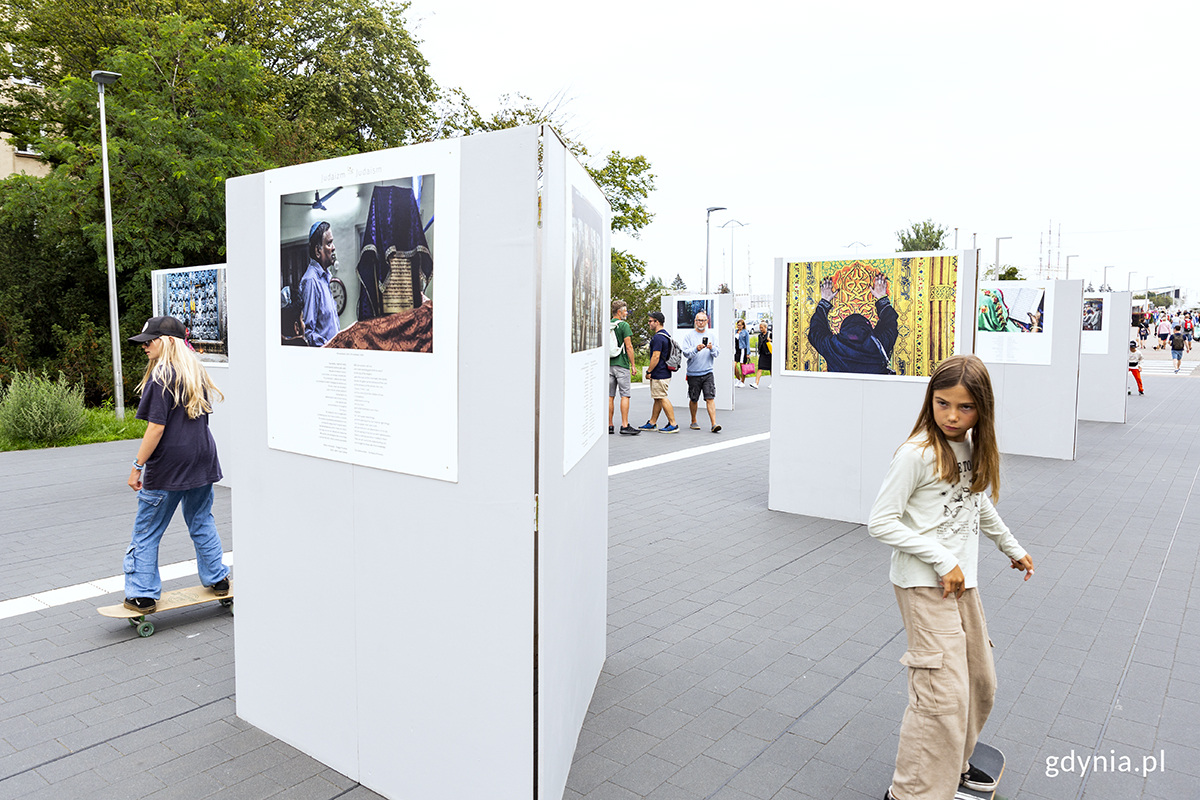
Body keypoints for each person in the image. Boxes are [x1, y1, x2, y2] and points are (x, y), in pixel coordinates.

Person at [868, 354, 1034, 800]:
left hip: (963, 584)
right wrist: (942, 559)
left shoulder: (972, 448)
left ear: (982, 409)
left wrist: (1012, 548)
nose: (953, 416)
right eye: (943, 404)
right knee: (941, 697)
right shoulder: (916, 453)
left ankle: (954, 766)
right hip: (924, 586)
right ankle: (912, 792)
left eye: (965, 408)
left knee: (980, 684)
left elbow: (977, 503)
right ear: (931, 401)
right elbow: (880, 522)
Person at [123, 316, 230, 614]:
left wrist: (137, 465)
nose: (144, 346)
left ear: (168, 341)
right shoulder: (195, 372)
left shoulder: (161, 377)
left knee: (146, 530)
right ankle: (218, 578)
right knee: (201, 520)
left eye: (150, 340)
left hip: (169, 465)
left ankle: (142, 594)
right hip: (202, 459)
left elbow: (155, 429)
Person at [809, 273, 899, 374]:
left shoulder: (832, 347)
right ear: (868, 327)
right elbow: (890, 323)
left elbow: (815, 332)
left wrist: (825, 301)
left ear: (842, 329)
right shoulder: (879, 343)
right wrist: (881, 297)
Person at [299, 221, 341, 346]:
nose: (333, 247)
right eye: (329, 243)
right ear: (318, 251)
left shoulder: (324, 278)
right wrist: (330, 345)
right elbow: (307, 332)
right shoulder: (311, 281)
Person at [639, 311, 679, 433]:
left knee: (662, 397)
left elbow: (656, 357)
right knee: (657, 398)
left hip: (660, 373)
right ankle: (652, 422)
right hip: (664, 372)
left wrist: (649, 371)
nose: (649, 323)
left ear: (657, 322)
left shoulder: (658, 338)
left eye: (651, 321)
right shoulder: (666, 335)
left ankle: (673, 424)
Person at [682, 310, 721, 432]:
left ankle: (714, 424)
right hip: (693, 373)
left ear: (707, 321)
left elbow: (717, 353)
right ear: (695, 321)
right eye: (698, 320)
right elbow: (685, 353)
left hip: (708, 372)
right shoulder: (689, 336)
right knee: (694, 398)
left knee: (710, 398)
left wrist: (711, 348)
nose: (701, 322)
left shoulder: (712, 336)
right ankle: (693, 421)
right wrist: (696, 349)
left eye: (703, 320)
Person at [608, 300, 640, 435]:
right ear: (619, 312)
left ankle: (609, 425)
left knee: (610, 396)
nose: (627, 313)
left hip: (608, 365)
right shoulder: (624, 325)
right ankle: (624, 425)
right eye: (625, 311)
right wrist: (633, 365)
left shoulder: (606, 324)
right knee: (625, 395)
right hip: (621, 364)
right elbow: (629, 346)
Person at [734, 319, 753, 388]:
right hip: (736, 350)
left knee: (743, 366)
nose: (738, 326)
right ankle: (738, 379)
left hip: (743, 350)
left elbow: (747, 343)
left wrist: (748, 353)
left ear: (743, 325)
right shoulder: (735, 331)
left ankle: (742, 381)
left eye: (740, 325)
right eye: (738, 325)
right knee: (733, 366)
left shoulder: (745, 332)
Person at [755, 320, 772, 388]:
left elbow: (775, 343)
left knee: (771, 369)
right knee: (760, 368)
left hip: (769, 354)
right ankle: (756, 383)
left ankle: (773, 383)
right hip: (762, 353)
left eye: (762, 328)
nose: (761, 329)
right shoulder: (760, 335)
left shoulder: (770, 334)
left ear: (765, 327)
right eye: (760, 328)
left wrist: (771, 340)